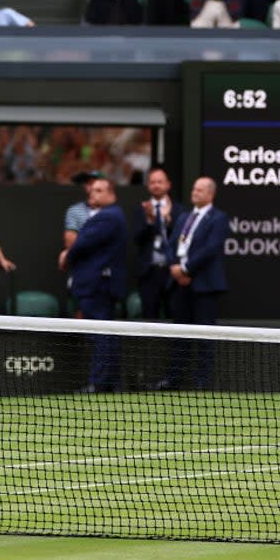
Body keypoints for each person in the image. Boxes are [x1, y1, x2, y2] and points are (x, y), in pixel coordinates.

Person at [155, 176, 229, 390]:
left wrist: (187, 269)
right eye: (194, 189)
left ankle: (201, 382)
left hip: (204, 286)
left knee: (205, 336)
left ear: (210, 194)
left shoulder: (218, 218)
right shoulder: (184, 217)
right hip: (179, 285)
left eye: (200, 190)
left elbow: (210, 249)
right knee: (180, 335)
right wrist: (175, 268)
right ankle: (173, 379)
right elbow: (171, 245)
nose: (195, 192)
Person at [60, 177, 127, 393]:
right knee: (104, 332)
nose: (93, 194)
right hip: (97, 285)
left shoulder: (108, 216)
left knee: (101, 333)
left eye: (99, 190)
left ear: (111, 194)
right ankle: (108, 382)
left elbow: (81, 243)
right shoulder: (107, 216)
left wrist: (67, 254)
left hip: (98, 285)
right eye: (92, 190)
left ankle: (99, 383)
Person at [132, 164, 176, 321]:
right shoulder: (140, 209)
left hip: (172, 273)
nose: (156, 185)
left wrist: (167, 221)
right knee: (149, 319)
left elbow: (181, 239)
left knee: (175, 318)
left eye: (160, 181)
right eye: (153, 182)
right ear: (148, 185)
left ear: (168, 184)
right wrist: (150, 221)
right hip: (148, 272)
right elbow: (137, 238)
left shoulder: (178, 209)